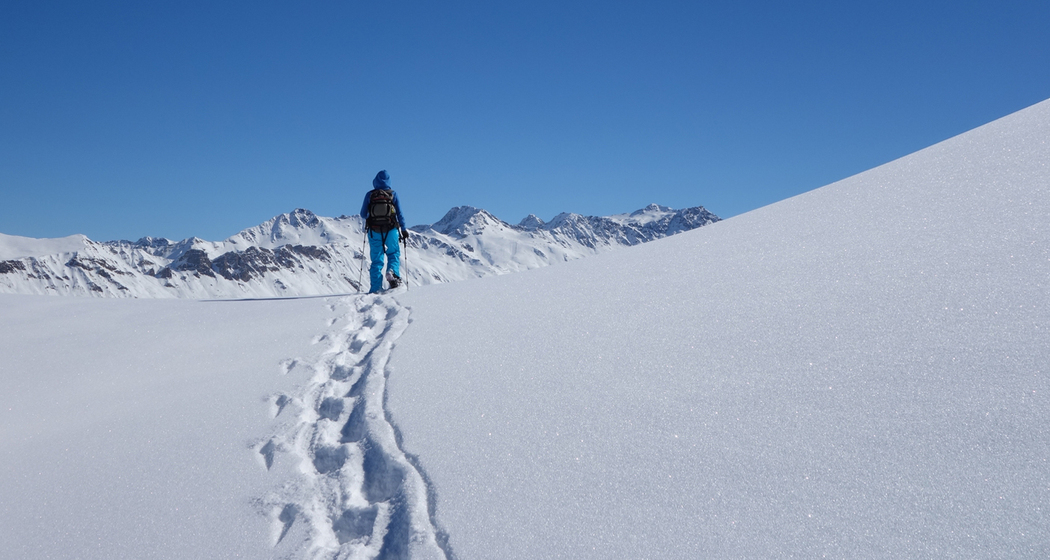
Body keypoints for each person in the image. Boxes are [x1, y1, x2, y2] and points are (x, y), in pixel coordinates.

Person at [360, 170, 409, 293]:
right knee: (393, 253)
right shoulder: (393, 194)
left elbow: (363, 214)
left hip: (374, 230)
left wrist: (371, 216)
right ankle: (393, 274)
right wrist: (403, 229)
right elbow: (400, 213)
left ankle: (375, 288)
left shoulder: (370, 195)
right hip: (391, 229)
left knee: (377, 259)